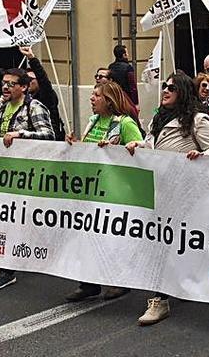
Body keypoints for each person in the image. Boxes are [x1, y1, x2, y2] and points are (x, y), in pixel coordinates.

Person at [124, 73, 209, 325]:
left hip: (183, 192)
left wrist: (201, 156)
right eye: (164, 86)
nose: (165, 91)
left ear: (183, 92)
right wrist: (137, 144)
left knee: (164, 244)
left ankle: (160, 300)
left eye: (171, 88)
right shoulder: (159, 118)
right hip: (157, 189)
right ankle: (180, 282)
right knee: (163, 242)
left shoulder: (198, 120)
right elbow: (151, 146)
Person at [63, 81, 143, 302]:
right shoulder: (93, 121)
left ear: (109, 100)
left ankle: (121, 281)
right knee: (88, 236)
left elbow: (143, 148)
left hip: (115, 192)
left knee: (114, 238)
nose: (92, 98)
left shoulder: (125, 123)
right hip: (91, 190)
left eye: (97, 95)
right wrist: (74, 144)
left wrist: (123, 149)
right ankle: (88, 283)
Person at [0, 68, 55, 291]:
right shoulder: (3, 106)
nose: (5, 87)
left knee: (21, 222)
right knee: (7, 222)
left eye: (11, 84)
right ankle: (7, 268)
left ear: (23, 87)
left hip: (27, 176)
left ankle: (11, 268)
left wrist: (21, 135)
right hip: (5, 176)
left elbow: (49, 135)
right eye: (4, 83)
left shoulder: (34, 107)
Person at [20, 47, 65, 141]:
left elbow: (43, 80)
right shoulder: (23, 99)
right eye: (25, 80)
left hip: (51, 141)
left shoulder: (47, 95)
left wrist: (32, 58)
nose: (27, 82)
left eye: (30, 79)